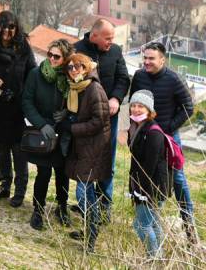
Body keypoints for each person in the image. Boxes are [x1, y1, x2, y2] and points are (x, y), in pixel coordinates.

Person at [129, 42, 196, 244]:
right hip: (144, 134)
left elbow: (188, 107)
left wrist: (168, 127)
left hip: (167, 136)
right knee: (144, 170)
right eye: (145, 58)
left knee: (177, 179)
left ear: (162, 59)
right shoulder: (140, 76)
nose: (147, 62)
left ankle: (189, 225)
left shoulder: (173, 79)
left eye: (152, 58)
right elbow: (134, 102)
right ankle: (151, 211)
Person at [73, 19, 129, 219]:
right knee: (84, 160)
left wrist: (116, 98)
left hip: (110, 118)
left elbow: (123, 78)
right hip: (85, 119)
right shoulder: (77, 51)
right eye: (107, 38)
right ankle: (85, 204)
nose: (111, 42)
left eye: (112, 38)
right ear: (94, 36)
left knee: (107, 163)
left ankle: (104, 205)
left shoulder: (115, 51)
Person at [58, 53, 110, 253]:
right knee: (86, 192)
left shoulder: (94, 89)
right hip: (82, 146)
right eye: (69, 67)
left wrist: (72, 128)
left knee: (83, 193)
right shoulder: (76, 88)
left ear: (86, 68)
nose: (73, 71)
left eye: (77, 67)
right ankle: (89, 230)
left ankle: (91, 238)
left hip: (94, 147)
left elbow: (98, 121)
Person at [22, 39, 73, 230]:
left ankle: (62, 207)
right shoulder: (36, 74)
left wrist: (67, 112)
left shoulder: (70, 75)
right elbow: (27, 101)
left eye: (57, 56)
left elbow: (76, 99)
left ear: (65, 58)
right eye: (49, 54)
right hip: (43, 131)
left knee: (62, 172)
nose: (51, 58)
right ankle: (38, 208)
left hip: (63, 131)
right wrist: (42, 124)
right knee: (43, 172)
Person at [0, 11, 36, 208]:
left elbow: (32, 73)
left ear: (16, 29)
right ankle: (5, 185)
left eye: (11, 27)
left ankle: (20, 190)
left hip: (18, 106)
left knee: (19, 151)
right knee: (2, 148)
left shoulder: (24, 49)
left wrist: (23, 93)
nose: (7, 31)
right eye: (4, 26)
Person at [127, 90, 172, 257]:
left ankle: (153, 258)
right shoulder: (138, 127)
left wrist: (141, 192)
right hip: (149, 185)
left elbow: (149, 166)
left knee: (141, 225)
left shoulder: (153, 133)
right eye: (134, 106)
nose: (136, 109)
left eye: (141, 106)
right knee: (152, 223)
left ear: (149, 110)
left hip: (152, 187)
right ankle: (159, 257)